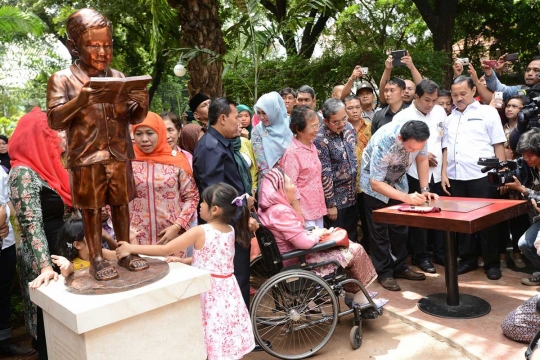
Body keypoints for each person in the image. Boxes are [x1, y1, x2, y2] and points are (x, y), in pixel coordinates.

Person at [47, 8, 149, 281]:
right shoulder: (62, 79)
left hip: (118, 153)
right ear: (73, 46)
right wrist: (80, 101)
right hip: (86, 157)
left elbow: (133, 115)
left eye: (107, 45)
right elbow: (55, 119)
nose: (102, 52)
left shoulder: (118, 76)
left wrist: (142, 102)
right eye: (94, 45)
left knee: (121, 204)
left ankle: (126, 251)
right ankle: (96, 258)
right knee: (91, 209)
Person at [116, 183, 255, 359]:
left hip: (208, 292)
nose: (200, 205)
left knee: (206, 332)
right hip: (227, 291)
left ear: (215, 210)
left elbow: (165, 250)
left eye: (204, 202)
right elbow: (214, 260)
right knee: (222, 332)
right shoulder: (230, 230)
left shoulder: (200, 231)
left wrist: (131, 248)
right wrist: (183, 260)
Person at [258, 168, 385, 312]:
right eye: (290, 183)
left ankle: (354, 294)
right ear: (280, 188)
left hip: (286, 259)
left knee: (347, 248)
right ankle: (359, 298)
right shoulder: (281, 211)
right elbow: (304, 243)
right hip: (299, 262)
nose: (294, 187)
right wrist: (317, 236)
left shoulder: (266, 210)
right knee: (355, 250)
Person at [8, 107, 77, 358]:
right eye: (56, 130)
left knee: (65, 323)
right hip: (42, 257)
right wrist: (45, 267)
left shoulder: (48, 169)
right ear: (40, 135)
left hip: (59, 250)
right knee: (48, 325)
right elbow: (32, 224)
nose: (62, 136)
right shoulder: (22, 173)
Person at [193, 97, 257, 310]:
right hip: (228, 225)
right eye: (235, 117)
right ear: (222, 118)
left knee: (240, 278)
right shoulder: (210, 147)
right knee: (236, 279)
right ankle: (241, 337)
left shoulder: (221, 143)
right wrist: (241, 215)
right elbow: (216, 196)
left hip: (235, 220)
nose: (239, 122)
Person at [441, 76, 506, 280]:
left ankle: (491, 263)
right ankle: (468, 259)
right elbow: (445, 148)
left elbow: (498, 144)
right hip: (456, 177)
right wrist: (444, 173)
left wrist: (501, 172)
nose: (458, 98)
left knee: (486, 222)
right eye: (455, 95)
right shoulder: (448, 118)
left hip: (482, 176)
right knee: (461, 222)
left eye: (463, 94)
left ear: (472, 91)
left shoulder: (487, 112)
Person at [361, 120, 437, 291]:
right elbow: (376, 183)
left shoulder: (419, 137)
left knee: (400, 228)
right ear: (400, 138)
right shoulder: (385, 140)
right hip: (375, 187)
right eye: (411, 148)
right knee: (379, 231)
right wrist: (406, 198)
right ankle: (385, 273)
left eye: (418, 148)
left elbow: (423, 159)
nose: (414, 151)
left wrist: (424, 189)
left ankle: (400, 266)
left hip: (398, 182)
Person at [392, 79, 446, 272]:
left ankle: (440, 252)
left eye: (434, 100)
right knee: (419, 217)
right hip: (413, 173)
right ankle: (421, 256)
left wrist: (444, 170)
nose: (430, 104)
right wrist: (422, 154)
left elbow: (444, 141)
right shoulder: (402, 117)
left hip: (437, 174)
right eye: (426, 100)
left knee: (440, 214)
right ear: (416, 97)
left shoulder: (440, 112)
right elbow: (399, 148)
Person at [130, 112, 199, 251]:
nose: (144, 139)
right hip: (135, 239)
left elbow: (192, 197)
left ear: (159, 132)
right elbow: (113, 199)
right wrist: (124, 229)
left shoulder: (177, 161)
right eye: (139, 134)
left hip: (171, 238)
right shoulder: (126, 162)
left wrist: (177, 226)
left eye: (150, 133)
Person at [0, 164, 34, 357]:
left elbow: (8, 203)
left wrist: (5, 220)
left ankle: (4, 341)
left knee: (2, 292)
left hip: (5, 243)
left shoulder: (1, 171)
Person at [314, 98, 358, 241]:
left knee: (352, 235)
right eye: (336, 122)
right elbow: (324, 174)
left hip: (352, 194)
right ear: (326, 121)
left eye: (344, 118)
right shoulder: (320, 139)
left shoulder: (350, 128)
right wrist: (331, 204)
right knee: (337, 239)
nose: (342, 124)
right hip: (336, 199)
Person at [281, 106, 327, 228]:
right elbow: (290, 186)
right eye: (313, 126)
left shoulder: (311, 145)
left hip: (317, 207)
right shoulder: (292, 152)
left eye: (318, 125)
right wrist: (298, 213)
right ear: (299, 129)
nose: (317, 129)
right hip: (304, 211)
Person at [505, 129, 540, 285]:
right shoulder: (529, 167)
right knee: (524, 244)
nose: (526, 159)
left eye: (530, 155)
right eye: (524, 155)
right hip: (536, 214)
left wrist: (523, 190)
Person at [31, 219, 117, 281]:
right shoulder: (74, 263)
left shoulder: (102, 253)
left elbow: (120, 255)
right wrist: (65, 264)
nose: (98, 236)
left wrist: (108, 237)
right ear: (78, 244)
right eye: (91, 235)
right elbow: (66, 272)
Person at [343, 95, 372, 250]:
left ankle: (368, 248)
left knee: (368, 219)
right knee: (351, 219)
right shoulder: (341, 128)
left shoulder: (370, 127)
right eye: (350, 108)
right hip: (347, 183)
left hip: (367, 181)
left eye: (357, 107)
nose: (354, 111)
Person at [251, 92, 293, 178]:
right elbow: (262, 163)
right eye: (258, 113)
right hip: (269, 180)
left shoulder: (290, 125)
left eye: (264, 112)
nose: (261, 117)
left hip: (292, 177)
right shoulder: (257, 131)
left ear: (275, 110)